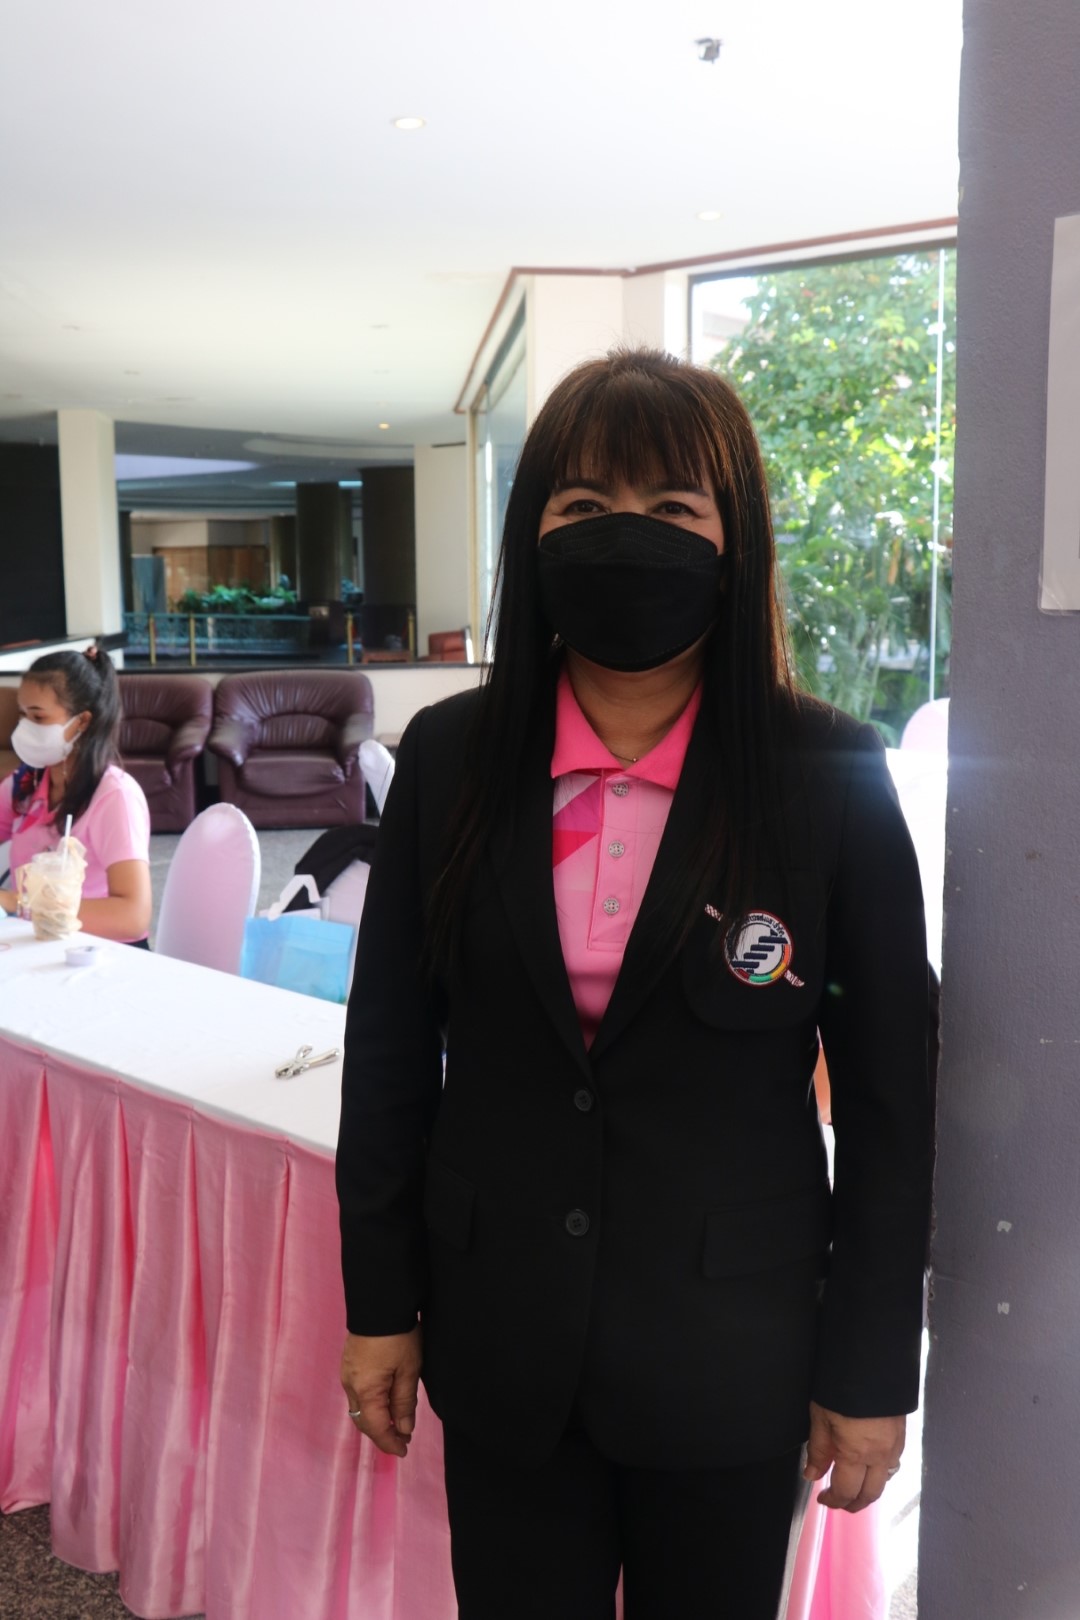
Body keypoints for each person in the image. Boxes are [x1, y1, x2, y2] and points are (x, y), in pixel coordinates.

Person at [336, 348, 932, 1619]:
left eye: (672, 508)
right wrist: (381, 1305)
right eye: (585, 504)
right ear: (533, 534)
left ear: (734, 537)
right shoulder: (448, 757)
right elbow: (387, 1054)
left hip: (734, 1355)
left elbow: (893, 1102)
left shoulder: (829, 773)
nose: (627, 535)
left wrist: (872, 1366)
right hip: (503, 1341)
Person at [0, 646, 152, 944]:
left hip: (99, 952)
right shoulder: (26, 783)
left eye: (38, 718)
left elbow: (132, 918)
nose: (25, 729)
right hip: (36, 942)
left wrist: (18, 903)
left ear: (82, 722)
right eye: (22, 715)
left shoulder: (115, 796)